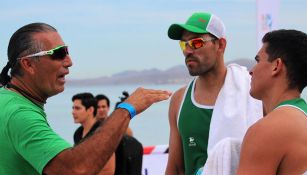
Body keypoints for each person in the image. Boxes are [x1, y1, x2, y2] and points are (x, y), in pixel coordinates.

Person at [0, 22, 171, 175]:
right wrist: (127, 109)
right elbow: (76, 170)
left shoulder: (7, 101)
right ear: (28, 64)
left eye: (67, 51)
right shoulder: (19, 114)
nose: (69, 61)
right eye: (59, 53)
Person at [165, 12, 263, 175]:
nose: (188, 51)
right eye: (184, 44)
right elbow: (175, 168)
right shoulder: (179, 100)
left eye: (196, 43)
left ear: (221, 45)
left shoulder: (252, 92)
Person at [237, 29, 307, 175]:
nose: (251, 71)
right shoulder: (302, 119)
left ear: (276, 66)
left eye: (258, 60)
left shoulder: (267, 131)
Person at [72, 92, 115, 175]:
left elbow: (109, 171)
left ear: (90, 110)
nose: (73, 112)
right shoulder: (78, 133)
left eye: (77, 108)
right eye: (73, 108)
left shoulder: (102, 133)